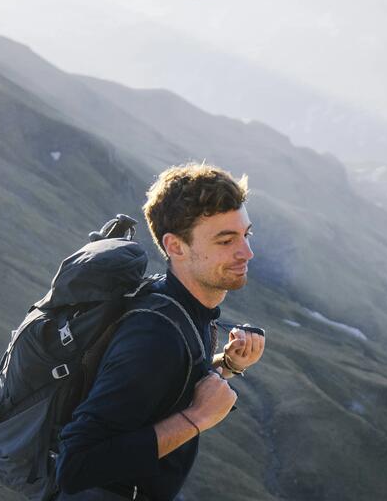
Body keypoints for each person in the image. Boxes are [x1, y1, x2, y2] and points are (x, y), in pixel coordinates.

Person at [55, 163, 269, 500]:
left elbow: (164, 388)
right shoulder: (155, 337)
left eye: (246, 234)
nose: (246, 252)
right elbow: (75, 466)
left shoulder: (176, 303)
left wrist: (226, 366)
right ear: (176, 247)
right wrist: (198, 417)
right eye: (226, 240)